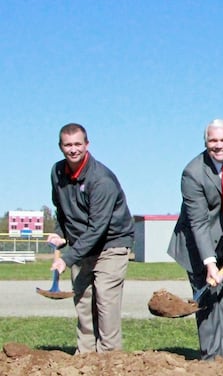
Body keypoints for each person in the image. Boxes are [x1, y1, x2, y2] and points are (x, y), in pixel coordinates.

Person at [167, 119, 223, 361]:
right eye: (212, 141)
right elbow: (198, 223)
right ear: (205, 142)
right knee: (207, 302)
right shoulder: (193, 172)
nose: (218, 146)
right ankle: (210, 360)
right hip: (198, 244)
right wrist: (210, 264)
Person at [48, 123, 135, 353]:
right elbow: (61, 209)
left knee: (105, 302)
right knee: (83, 302)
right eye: (68, 145)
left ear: (87, 145)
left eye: (78, 144)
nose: (73, 149)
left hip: (111, 244)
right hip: (81, 244)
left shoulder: (101, 180)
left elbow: (98, 228)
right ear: (60, 147)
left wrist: (66, 258)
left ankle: (109, 357)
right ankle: (85, 356)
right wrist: (60, 232)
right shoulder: (57, 173)